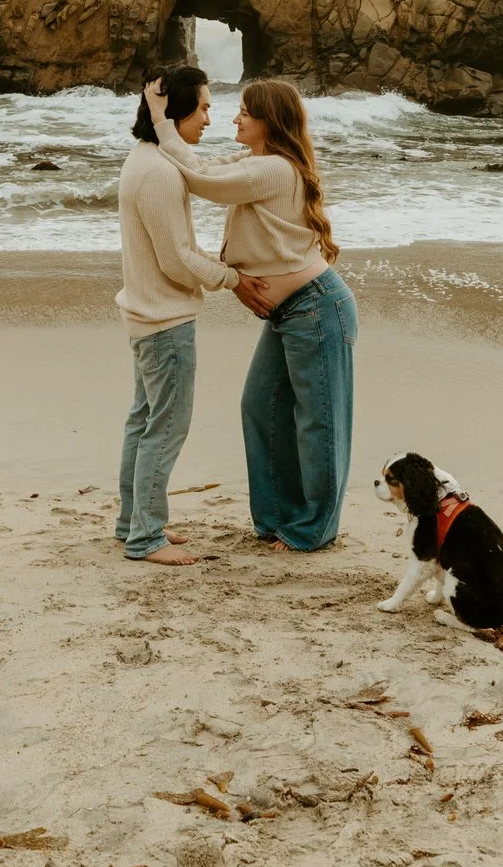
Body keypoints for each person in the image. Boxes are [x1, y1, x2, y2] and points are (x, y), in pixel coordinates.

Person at [144, 76, 355, 552]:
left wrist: (160, 121)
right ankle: (278, 519)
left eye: (244, 111)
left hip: (317, 308)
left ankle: (312, 530)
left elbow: (202, 182)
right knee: (261, 408)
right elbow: (201, 167)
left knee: (319, 422)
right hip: (293, 313)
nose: (234, 118)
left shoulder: (275, 169)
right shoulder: (256, 162)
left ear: (268, 121)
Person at [113, 64, 239, 565]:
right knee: (164, 428)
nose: (210, 118)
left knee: (143, 423)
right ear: (179, 108)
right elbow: (177, 260)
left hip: (147, 315)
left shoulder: (146, 158)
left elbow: (199, 165)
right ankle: (145, 538)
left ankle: (135, 525)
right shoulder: (159, 174)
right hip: (165, 322)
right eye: (205, 107)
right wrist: (232, 278)